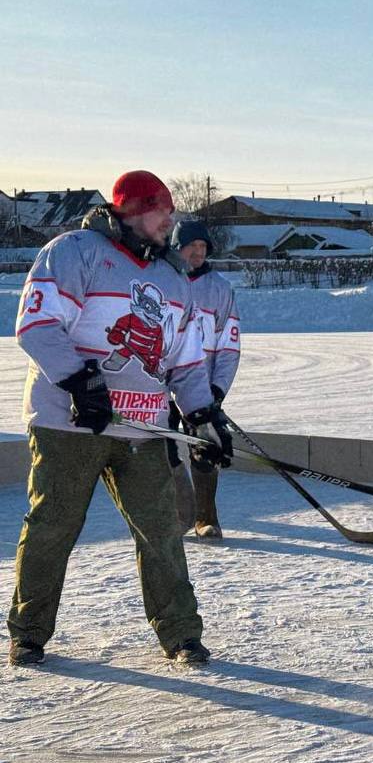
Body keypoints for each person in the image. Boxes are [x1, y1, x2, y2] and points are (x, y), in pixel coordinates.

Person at [7, 170, 232, 667]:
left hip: (142, 429)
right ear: (132, 210)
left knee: (162, 533)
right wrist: (80, 382)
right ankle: (28, 632)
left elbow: (187, 361)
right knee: (53, 526)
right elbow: (36, 325)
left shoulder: (174, 278)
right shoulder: (76, 251)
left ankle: (182, 635)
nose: (170, 221)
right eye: (162, 210)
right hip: (70, 425)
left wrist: (202, 415)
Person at [167, 220, 241, 540]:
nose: (197, 253)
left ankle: (205, 518)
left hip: (201, 387)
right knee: (164, 450)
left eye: (202, 248)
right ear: (176, 247)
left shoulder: (220, 288)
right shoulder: (162, 281)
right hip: (161, 387)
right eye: (190, 247)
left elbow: (229, 344)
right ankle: (175, 515)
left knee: (204, 448)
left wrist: (217, 388)